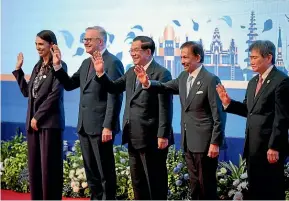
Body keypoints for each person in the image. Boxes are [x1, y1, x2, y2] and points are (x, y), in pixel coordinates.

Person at [134, 41, 226, 200]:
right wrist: (147, 83)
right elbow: (164, 87)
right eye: (181, 57)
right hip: (188, 141)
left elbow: (219, 114)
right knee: (195, 184)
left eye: (185, 57)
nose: (182, 61)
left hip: (205, 143)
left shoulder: (211, 79)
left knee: (207, 186)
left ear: (197, 57)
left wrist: (215, 142)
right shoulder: (183, 76)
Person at [93, 36, 174, 200]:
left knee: (155, 182)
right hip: (133, 135)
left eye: (136, 50)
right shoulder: (132, 71)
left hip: (152, 137)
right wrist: (101, 73)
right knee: (138, 183)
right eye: (131, 50)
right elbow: (114, 88)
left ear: (148, 52)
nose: (132, 54)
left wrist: (163, 134)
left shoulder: (162, 73)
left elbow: (165, 106)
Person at [52, 26, 124, 200]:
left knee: (104, 170)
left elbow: (114, 95)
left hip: (101, 127)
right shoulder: (86, 62)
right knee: (91, 170)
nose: (85, 42)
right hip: (85, 125)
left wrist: (108, 125)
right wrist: (57, 66)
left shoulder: (113, 62)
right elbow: (69, 85)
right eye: (84, 39)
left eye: (88, 39)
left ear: (100, 41)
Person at [216, 40, 289, 200]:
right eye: (250, 57)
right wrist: (228, 103)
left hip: (270, 149)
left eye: (255, 57)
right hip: (253, 147)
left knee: (271, 191)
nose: (251, 61)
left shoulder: (281, 81)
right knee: (256, 190)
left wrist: (274, 146)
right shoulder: (253, 82)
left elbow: (282, 117)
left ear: (268, 57)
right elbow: (249, 111)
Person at [12, 30, 66, 200]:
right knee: (35, 168)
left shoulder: (60, 66)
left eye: (41, 44)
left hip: (49, 124)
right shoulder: (37, 66)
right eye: (36, 44)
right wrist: (18, 70)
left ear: (52, 45)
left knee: (49, 168)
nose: (37, 47)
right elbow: (27, 92)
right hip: (33, 125)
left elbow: (55, 95)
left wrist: (38, 116)